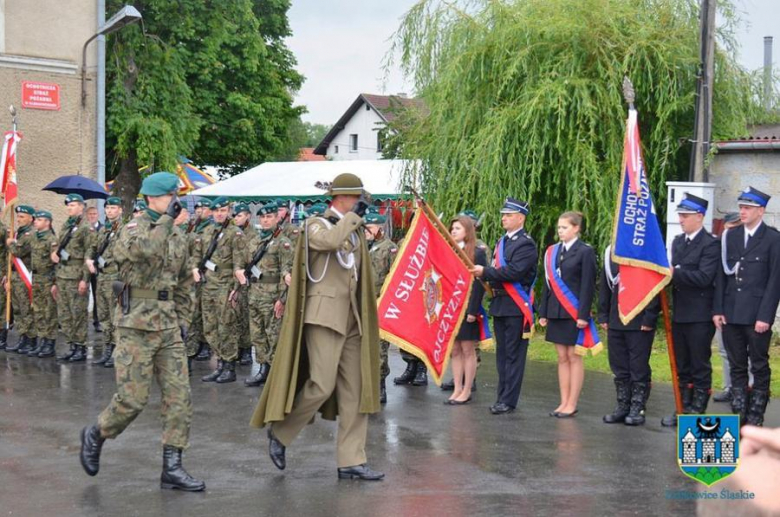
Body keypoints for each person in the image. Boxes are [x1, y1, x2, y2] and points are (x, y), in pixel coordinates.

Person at [251, 173, 384, 481]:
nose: (360, 203)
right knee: (321, 385)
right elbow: (330, 242)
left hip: (352, 317)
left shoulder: (355, 228)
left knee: (356, 390)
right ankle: (280, 433)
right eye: (356, 198)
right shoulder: (316, 224)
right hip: (324, 315)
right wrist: (353, 218)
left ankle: (351, 460)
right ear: (341, 198)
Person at [79, 171, 204, 492]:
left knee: (180, 397)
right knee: (133, 400)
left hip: (167, 326)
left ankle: (172, 467)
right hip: (135, 324)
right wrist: (165, 222)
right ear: (152, 198)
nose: (175, 202)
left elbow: (185, 280)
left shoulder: (177, 235)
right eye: (170, 196)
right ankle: (97, 433)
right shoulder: (132, 229)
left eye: (176, 196)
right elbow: (143, 252)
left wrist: (183, 319)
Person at [713, 187, 780, 427]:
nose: (742, 212)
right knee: (736, 363)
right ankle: (739, 412)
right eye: (741, 207)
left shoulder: (773, 239)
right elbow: (722, 276)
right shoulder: (729, 236)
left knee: (759, 364)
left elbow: (775, 281)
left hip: (756, 315)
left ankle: (756, 416)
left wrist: (765, 316)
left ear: (760, 211)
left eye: (748, 208)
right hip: (731, 312)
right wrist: (718, 310)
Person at [471, 197, 538, 415]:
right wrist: (487, 276)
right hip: (500, 304)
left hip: (516, 306)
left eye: (508, 215)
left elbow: (514, 272)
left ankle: (508, 400)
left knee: (513, 355)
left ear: (521, 218)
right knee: (502, 355)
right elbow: (497, 269)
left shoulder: (526, 244)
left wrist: (485, 272)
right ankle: (502, 395)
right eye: (503, 215)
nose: (504, 218)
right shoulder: (503, 242)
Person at [660, 194, 720, 427]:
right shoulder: (678, 242)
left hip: (700, 314)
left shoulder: (710, 243)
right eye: (680, 215)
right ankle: (682, 405)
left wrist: (676, 273)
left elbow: (705, 277)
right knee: (682, 362)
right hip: (681, 312)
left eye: (685, 216)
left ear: (699, 217)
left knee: (699, 363)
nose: (681, 219)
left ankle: (698, 407)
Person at [538, 211, 597, 418]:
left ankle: (572, 403)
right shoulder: (553, 251)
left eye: (564, 227)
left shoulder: (585, 252)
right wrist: (543, 311)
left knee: (574, 356)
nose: (560, 231)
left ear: (576, 228)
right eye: (559, 228)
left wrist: (583, 315)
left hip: (574, 313)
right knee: (562, 357)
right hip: (556, 311)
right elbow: (547, 285)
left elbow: (587, 286)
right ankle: (563, 402)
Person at [599, 248, 660, 426]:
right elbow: (606, 283)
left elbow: (653, 285)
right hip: (616, 317)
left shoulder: (645, 249)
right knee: (619, 364)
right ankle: (623, 405)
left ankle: (637, 406)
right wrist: (603, 314)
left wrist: (650, 317)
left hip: (639, 318)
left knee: (638, 365)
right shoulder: (612, 251)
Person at [242, 202, 293, 387]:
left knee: (274, 336)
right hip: (254, 294)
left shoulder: (283, 242)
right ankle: (263, 368)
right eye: (262, 217)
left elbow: (288, 273)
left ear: (277, 218)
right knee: (258, 335)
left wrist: (282, 300)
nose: (265, 220)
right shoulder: (254, 241)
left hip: (272, 298)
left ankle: (276, 373)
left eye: (269, 216)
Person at [197, 197, 245, 384]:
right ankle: (219, 364)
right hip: (208, 285)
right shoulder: (207, 231)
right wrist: (194, 268)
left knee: (226, 327)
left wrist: (235, 289)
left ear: (228, 212)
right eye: (216, 211)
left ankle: (229, 366)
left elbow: (239, 263)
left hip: (225, 285)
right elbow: (196, 254)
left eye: (223, 211)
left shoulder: (235, 233)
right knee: (210, 326)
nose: (219, 214)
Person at [442, 209, 488, 393]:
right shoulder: (448, 250)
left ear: (468, 231)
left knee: (468, 350)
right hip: (450, 307)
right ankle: (457, 388)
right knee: (454, 350)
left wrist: (472, 311)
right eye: (452, 228)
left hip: (468, 308)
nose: (453, 231)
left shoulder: (477, 253)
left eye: (458, 228)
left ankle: (467, 389)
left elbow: (479, 284)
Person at [53, 194, 94, 362]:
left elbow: (88, 254)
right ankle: (72, 345)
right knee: (65, 313)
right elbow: (60, 247)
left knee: (78, 313)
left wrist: (85, 279)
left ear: (81, 207)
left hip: (76, 275)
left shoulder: (86, 227)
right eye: (68, 205)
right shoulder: (66, 225)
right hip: (62, 274)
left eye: (73, 205)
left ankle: (81, 346)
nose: (69, 208)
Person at [364, 208, 398, 403]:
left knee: (378, 347)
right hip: (362, 302)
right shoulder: (363, 247)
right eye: (365, 228)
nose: (367, 231)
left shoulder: (389, 248)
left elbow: (394, 277)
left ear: (379, 227)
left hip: (380, 302)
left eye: (370, 227)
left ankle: (379, 385)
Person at [712, 212, 746, 403]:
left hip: (742, 307)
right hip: (723, 306)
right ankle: (729, 387)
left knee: (743, 352)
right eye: (728, 229)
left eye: (734, 228)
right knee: (725, 350)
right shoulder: (719, 246)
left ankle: (745, 387)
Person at [86, 197, 124, 367]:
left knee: (115, 316)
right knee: (103, 316)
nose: (109, 211)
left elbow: (125, 255)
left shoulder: (125, 230)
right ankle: (107, 349)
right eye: (107, 208)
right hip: (101, 277)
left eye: (113, 208)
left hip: (115, 278)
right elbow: (93, 247)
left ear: (120, 210)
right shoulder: (103, 230)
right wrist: (89, 259)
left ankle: (117, 352)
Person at [26, 210, 58, 358]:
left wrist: (55, 283)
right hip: (36, 278)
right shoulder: (34, 237)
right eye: (36, 219)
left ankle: (50, 343)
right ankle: (42, 340)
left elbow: (57, 264)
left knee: (49, 311)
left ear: (47, 222)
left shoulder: (52, 240)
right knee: (38, 310)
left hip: (48, 278)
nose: (35, 222)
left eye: (39, 220)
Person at [4, 205, 35, 353]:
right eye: (18, 216)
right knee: (17, 309)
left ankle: (30, 339)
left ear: (30, 218)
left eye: (22, 217)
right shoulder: (18, 234)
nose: (19, 219)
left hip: (25, 276)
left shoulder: (30, 234)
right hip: (15, 276)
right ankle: (22, 337)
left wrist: (10, 243)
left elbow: (18, 251)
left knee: (26, 309)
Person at [186, 199, 213, 362]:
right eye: (197, 208)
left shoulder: (211, 229)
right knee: (195, 312)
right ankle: (196, 344)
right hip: (194, 274)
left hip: (209, 276)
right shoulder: (192, 227)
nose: (199, 211)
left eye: (203, 208)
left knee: (206, 312)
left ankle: (206, 344)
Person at [232, 203, 256, 366]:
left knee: (246, 315)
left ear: (248, 215)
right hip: (234, 278)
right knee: (236, 315)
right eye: (235, 215)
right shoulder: (234, 233)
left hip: (247, 279)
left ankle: (247, 349)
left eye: (239, 215)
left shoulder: (252, 234)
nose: (236, 218)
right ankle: (239, 347)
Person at [86, 206, 102, 332]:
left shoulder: (103, 229)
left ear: (98, 215)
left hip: (97, 267)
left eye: (94, 214)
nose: (92, 216)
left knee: (97, 294)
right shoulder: (84, 229)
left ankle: (97, 321)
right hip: (84, 267)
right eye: (90, 214)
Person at [0, 215, 7, 350]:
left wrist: (6, 273)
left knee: (1, 304)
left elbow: (7, 253)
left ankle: (2, 334)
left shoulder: (2, 231)